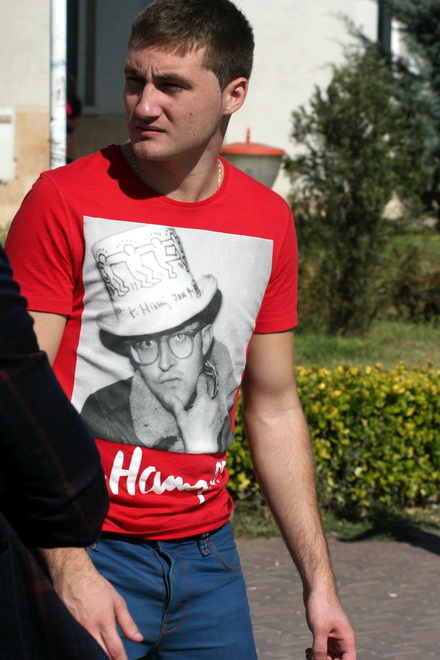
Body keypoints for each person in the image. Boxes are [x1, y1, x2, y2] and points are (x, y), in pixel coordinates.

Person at [5, 1, 356, 658]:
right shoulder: (63, 199)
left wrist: (320, 584)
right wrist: (67, 566)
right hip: (89, 552)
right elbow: (14, 399)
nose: (144, 105)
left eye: (171, 86)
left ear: (233, 94)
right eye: (134, 81)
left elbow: (275, 407)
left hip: (209, 563)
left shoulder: (267, 220)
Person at [0, 245, 109, 659]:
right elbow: (17, 376)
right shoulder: (56, 208)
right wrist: (71, 521)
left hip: (209, 547)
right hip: (95, 545)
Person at [81, 224, 236, 454]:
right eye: (147, 343)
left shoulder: (223, 391)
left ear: (204, 340)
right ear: (132, 352)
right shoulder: (103, 413)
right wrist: (199, 446)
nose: (165, 363)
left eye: (180, 337)